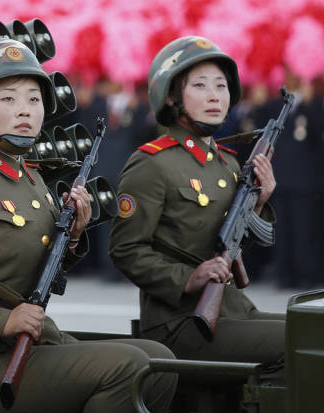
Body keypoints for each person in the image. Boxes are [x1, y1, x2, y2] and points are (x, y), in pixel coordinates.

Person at [0, 38, 176, 413]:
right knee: (131, 368)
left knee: (159, 360)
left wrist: (74, 236)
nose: (25, 110)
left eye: (34, 100)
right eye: (9, 99)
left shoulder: (29, 180)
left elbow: (38, 271)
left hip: (33, 344)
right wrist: (2, 321)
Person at [109, 36, 285, 377]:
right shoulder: (151, 164)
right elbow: (125, 250)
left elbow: (231, 243)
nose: (215, 95)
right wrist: (188, 278)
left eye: (221, 85)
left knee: (313, 329)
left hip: (233, 309)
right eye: (201, 85)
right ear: (172, 96)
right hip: (179, 321)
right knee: (300, 343)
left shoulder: (227, 164)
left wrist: (260, 202)